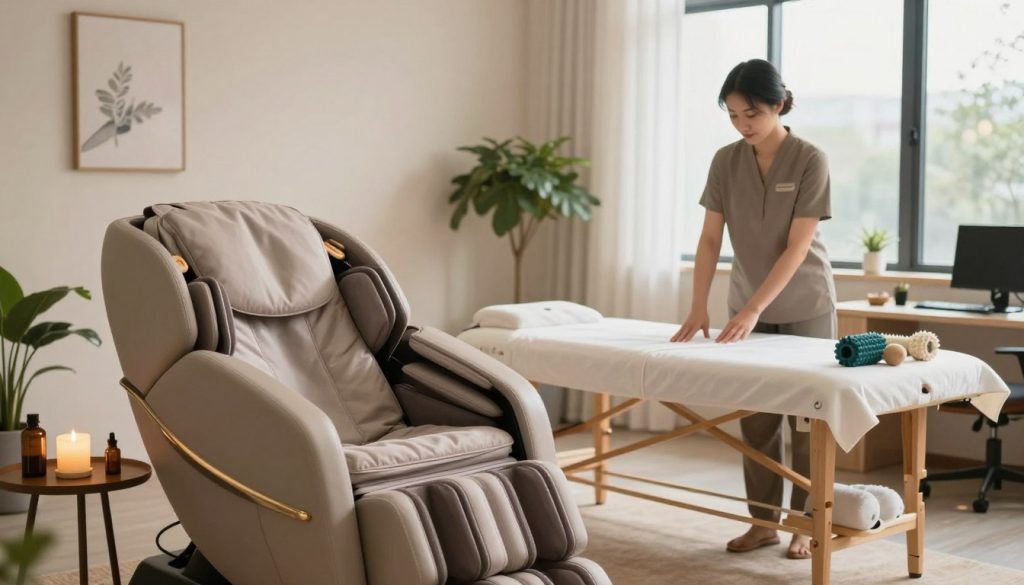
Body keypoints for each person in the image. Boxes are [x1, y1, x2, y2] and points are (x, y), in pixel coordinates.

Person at [670, 59, 837, 559]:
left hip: (805, 301)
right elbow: (708, 239)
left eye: (754, 114)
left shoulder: (810, 159)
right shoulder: (725, 161)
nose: (744, 125)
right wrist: (699, 307)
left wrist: (752, 311)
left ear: (780, 105)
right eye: (734, 115)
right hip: (747, 303)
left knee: (808, 420)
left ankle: (806, 523)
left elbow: (797, 247)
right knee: (757, 420)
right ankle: (762, 523)